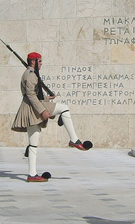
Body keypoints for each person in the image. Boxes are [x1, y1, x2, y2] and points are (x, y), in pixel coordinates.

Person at [11, 52, 87, 182]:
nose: (41, 63)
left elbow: (34, 95)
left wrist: (47, 98)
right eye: (39, 61)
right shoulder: (30, 75)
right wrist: (42, 111)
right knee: (64, 108)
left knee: (33, 144)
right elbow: (31, 96)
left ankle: (32, 175)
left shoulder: (31, 74)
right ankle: (74, 140)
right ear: (33, 62)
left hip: (30, 107)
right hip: (33, 108)